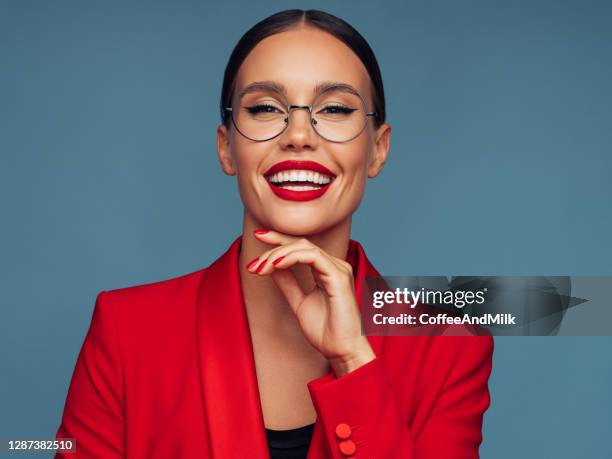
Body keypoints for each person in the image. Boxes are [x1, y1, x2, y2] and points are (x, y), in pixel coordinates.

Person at [55, 9, 493, 459]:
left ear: (378, 150)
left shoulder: (447, 347)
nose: (299, 135)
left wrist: (352, 361)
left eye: (336, 108)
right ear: (227, 147)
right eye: (265, 108)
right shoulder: (128, 330)